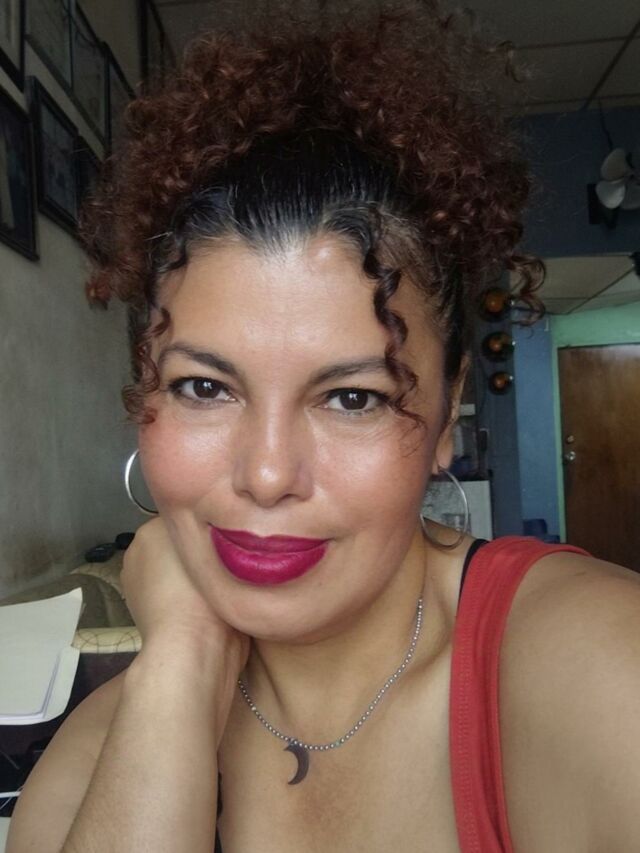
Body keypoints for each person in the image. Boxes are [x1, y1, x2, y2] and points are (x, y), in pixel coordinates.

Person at [8, 3, 640, 851]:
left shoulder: (600, 672)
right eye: (204, 386)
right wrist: (182, 661)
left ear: (446, 414)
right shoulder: (104, 752)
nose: (268, 473)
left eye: (352, 398)